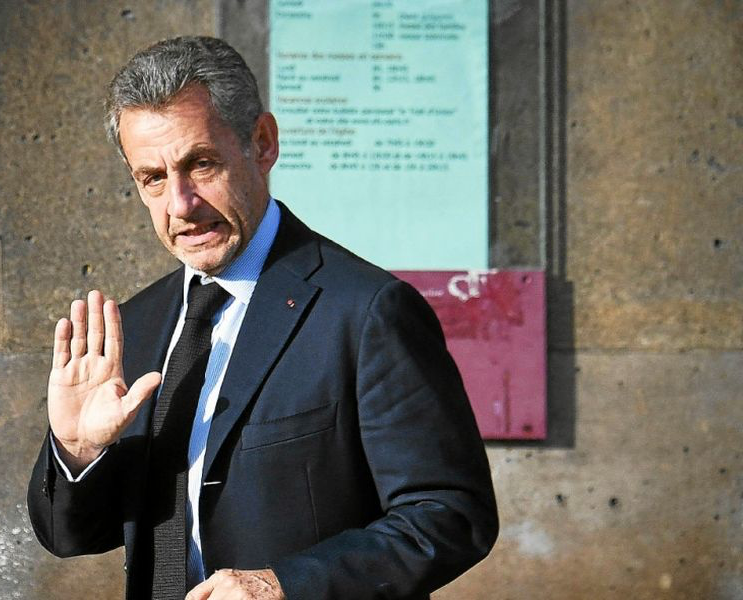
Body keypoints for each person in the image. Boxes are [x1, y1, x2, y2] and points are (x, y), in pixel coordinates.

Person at [27, 36, 497, 600]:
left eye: (201, 164)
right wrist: (77, 451)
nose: (180, 204)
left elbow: (449, 515)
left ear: (263, 143)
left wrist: (285, 587)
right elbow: (70, 537)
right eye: (153, 178)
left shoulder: (366, 310)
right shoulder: (135, 326)